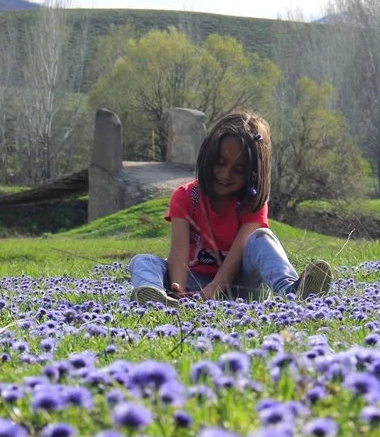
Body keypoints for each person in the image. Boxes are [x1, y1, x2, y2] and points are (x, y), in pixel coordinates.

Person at [129, 110, 332, 306]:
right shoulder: (186, 196)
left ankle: (291, 291)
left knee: (262, 237)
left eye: (239, 170)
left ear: (254, 172)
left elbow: (238, 253)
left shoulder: (252, 203)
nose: (225, 175)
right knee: (142, 261)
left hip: (241, 286)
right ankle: (156, 296)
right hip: (194, 283)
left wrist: (215, 288)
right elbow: (179, 249)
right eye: (220, 163)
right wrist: (179, 287)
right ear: (208, 156)